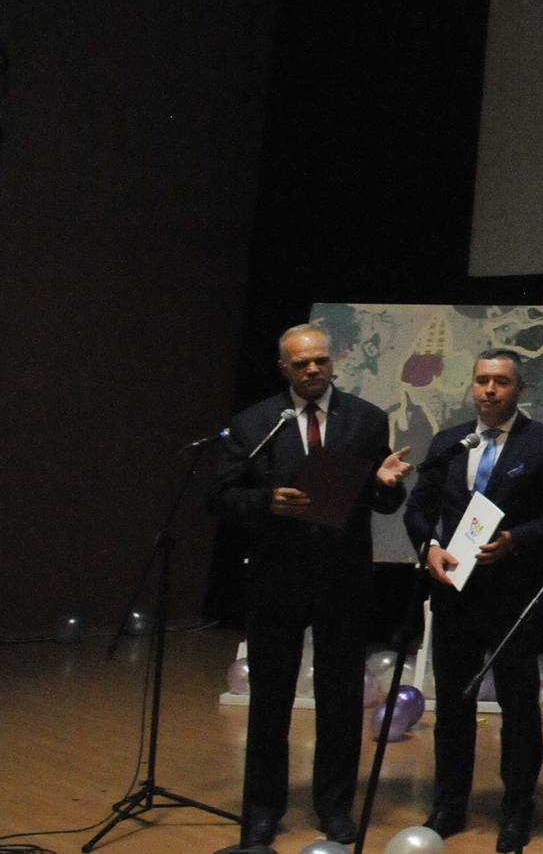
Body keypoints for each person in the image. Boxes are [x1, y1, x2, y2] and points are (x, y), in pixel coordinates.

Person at [208, 325, 411, 849]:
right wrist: (265, 502)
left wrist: (389, 485)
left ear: (332, 361)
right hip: (276, 577)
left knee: (341, 698)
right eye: (302, 364)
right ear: (284, 369)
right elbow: (221, 497)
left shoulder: (365, 419)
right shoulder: (256, 422)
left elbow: (383, 499)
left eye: (321, 360)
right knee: (270, 700)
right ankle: (263, 810)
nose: (314, 370)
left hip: (343, 578)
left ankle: (334, 807)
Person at [405, 351, 543, 853]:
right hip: (454, 591)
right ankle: (448, 804)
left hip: (512, 595)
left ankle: (517, 809)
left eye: (501, 381)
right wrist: (429, 547)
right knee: (453, 701)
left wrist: (514, 540)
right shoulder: (450, 441)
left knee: (518, 706)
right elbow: (418, 508)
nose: (489, 390)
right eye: (481, 380)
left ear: (519, 389)